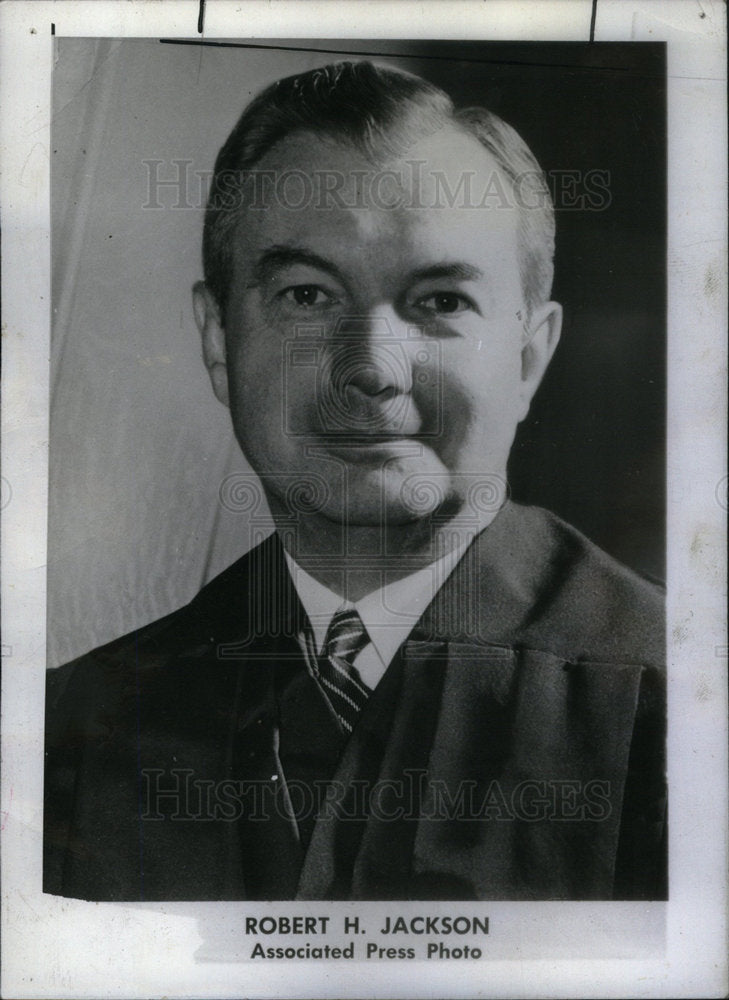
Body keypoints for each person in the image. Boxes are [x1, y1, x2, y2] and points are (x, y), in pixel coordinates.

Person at [44, 60, 666, 902]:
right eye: (306, 295)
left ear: (529, 355)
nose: (371, 367)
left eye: (440, 302)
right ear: (219, 340)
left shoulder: (678, 710)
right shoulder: (76, 723)